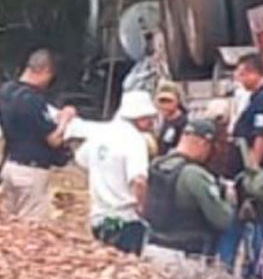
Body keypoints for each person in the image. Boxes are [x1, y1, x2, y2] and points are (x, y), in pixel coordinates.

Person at [218, 53, 263, 279]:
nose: (239, 80)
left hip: (259, 174)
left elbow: (261, 136)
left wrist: (253, 172)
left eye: (240, 74)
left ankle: (257, 272)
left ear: (252, 72)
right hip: (262, 171)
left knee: (256, 222)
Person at [75, 90, 157, 255]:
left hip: (98, 217)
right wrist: (142, 208)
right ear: (140, 117)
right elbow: (139, 180)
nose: (151, 123)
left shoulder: (101, 133)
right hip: (125, 219)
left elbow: (81, 160)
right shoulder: (135, 139)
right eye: (149, 118)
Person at [0, 49, 76, 219]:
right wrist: (65, 119)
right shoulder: (33, 100)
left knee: (12, 225)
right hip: (31, 171)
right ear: (45, 71)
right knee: (32, 228)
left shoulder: (5, 92)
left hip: (10, 165)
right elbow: (54, 140)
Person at [144, 119, 235, 256]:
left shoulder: (157, 164)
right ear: (204, 143)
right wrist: (230, 200)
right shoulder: (195, 175)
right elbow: (223, 220)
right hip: (187, 251)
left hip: (154, 244)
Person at [154, 80, 187, 155]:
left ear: (178, 101)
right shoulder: (158, 121)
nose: (165, 105)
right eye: (162, 101)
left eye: (169, 101)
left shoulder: (184, 123)